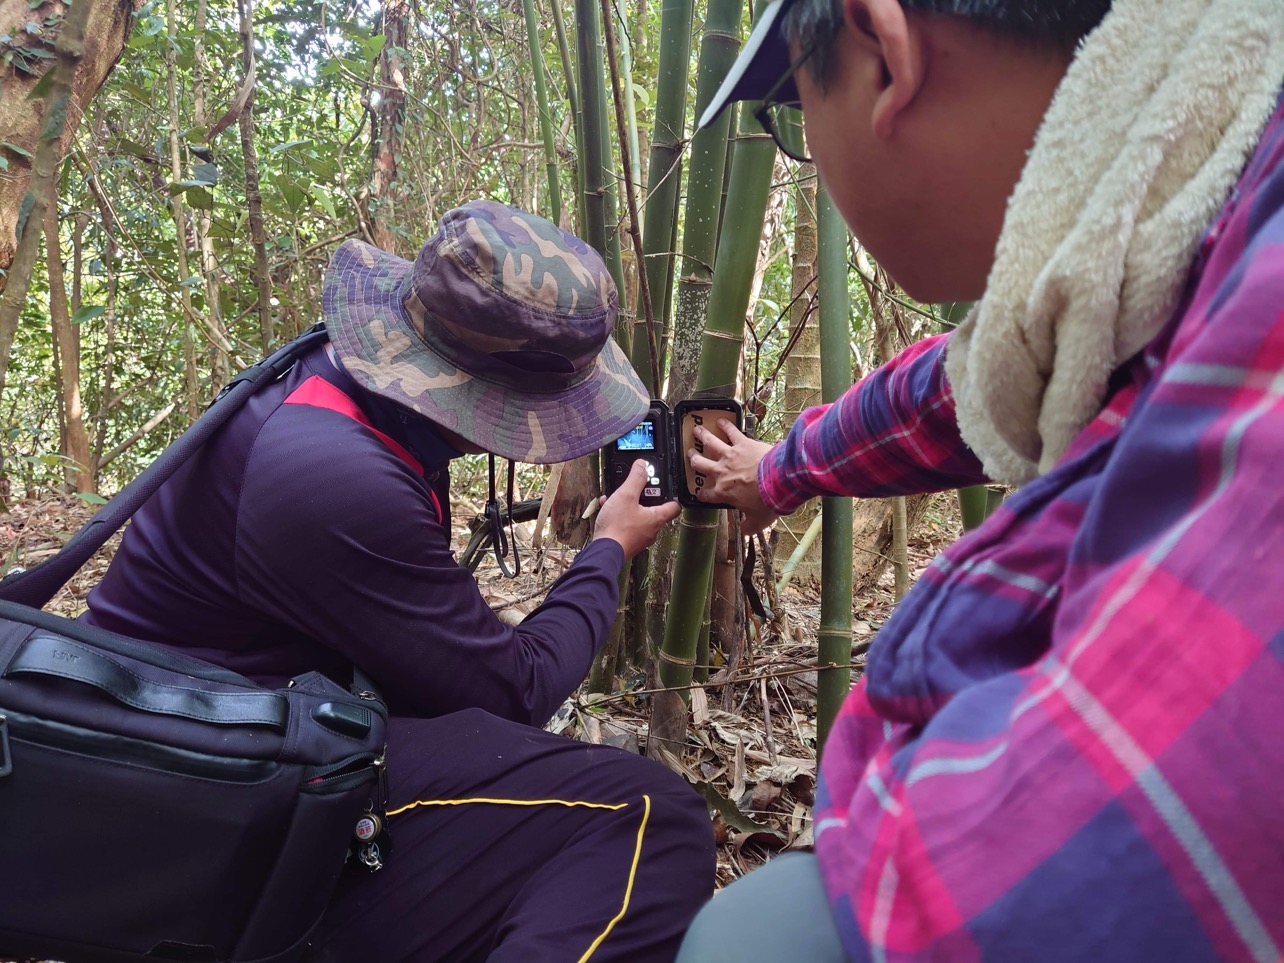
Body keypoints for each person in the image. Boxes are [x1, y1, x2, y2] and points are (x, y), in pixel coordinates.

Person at [677, 0, 1284, 960]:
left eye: (794, 110)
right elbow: (968, 387)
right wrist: (783, 467)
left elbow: (1055, 876)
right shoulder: (1195, 184)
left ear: (884, 52)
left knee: (762, 937)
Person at [84, 199, 716, 962]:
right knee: (650, 816)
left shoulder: (343, 388)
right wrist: (609, 547)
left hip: (216, 738)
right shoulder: (336, 476)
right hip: (197, 804)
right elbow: (520, 689)